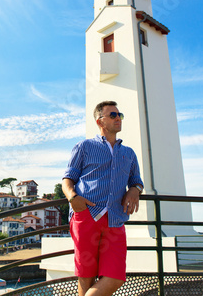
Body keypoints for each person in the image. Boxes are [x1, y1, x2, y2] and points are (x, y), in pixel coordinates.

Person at [62, 100, 144, 296]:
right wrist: (73, 198)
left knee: (116, 276)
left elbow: (137, 180)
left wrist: (135, 189)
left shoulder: (129, 153)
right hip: (86, 215)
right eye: (113, 115)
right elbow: (68, 178)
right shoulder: (84, 147)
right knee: (86, 277)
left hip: (116, 218)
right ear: (100, 121)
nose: (119, 118)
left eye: (120, 115)